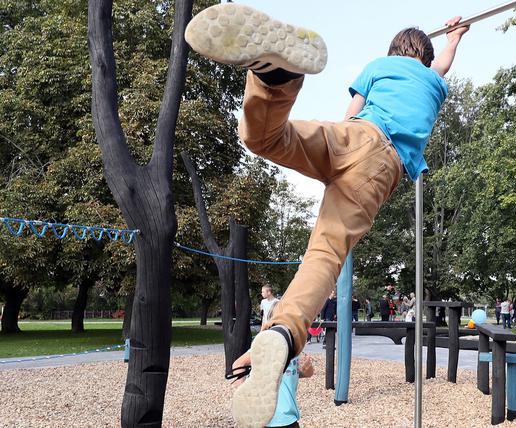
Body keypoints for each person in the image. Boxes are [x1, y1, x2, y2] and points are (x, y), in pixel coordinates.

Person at [185, 4, 469, 425]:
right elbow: (442, 64)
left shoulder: (378, 66)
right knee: (326, 254)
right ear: (424, 59)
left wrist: (328, 160)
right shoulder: (431, 81)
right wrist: (456, 37)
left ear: (394, 51)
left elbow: (354, 109)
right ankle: (283, 333)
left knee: (265, 139)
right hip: (381, 168)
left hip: (351, 135)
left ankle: (274, 78)